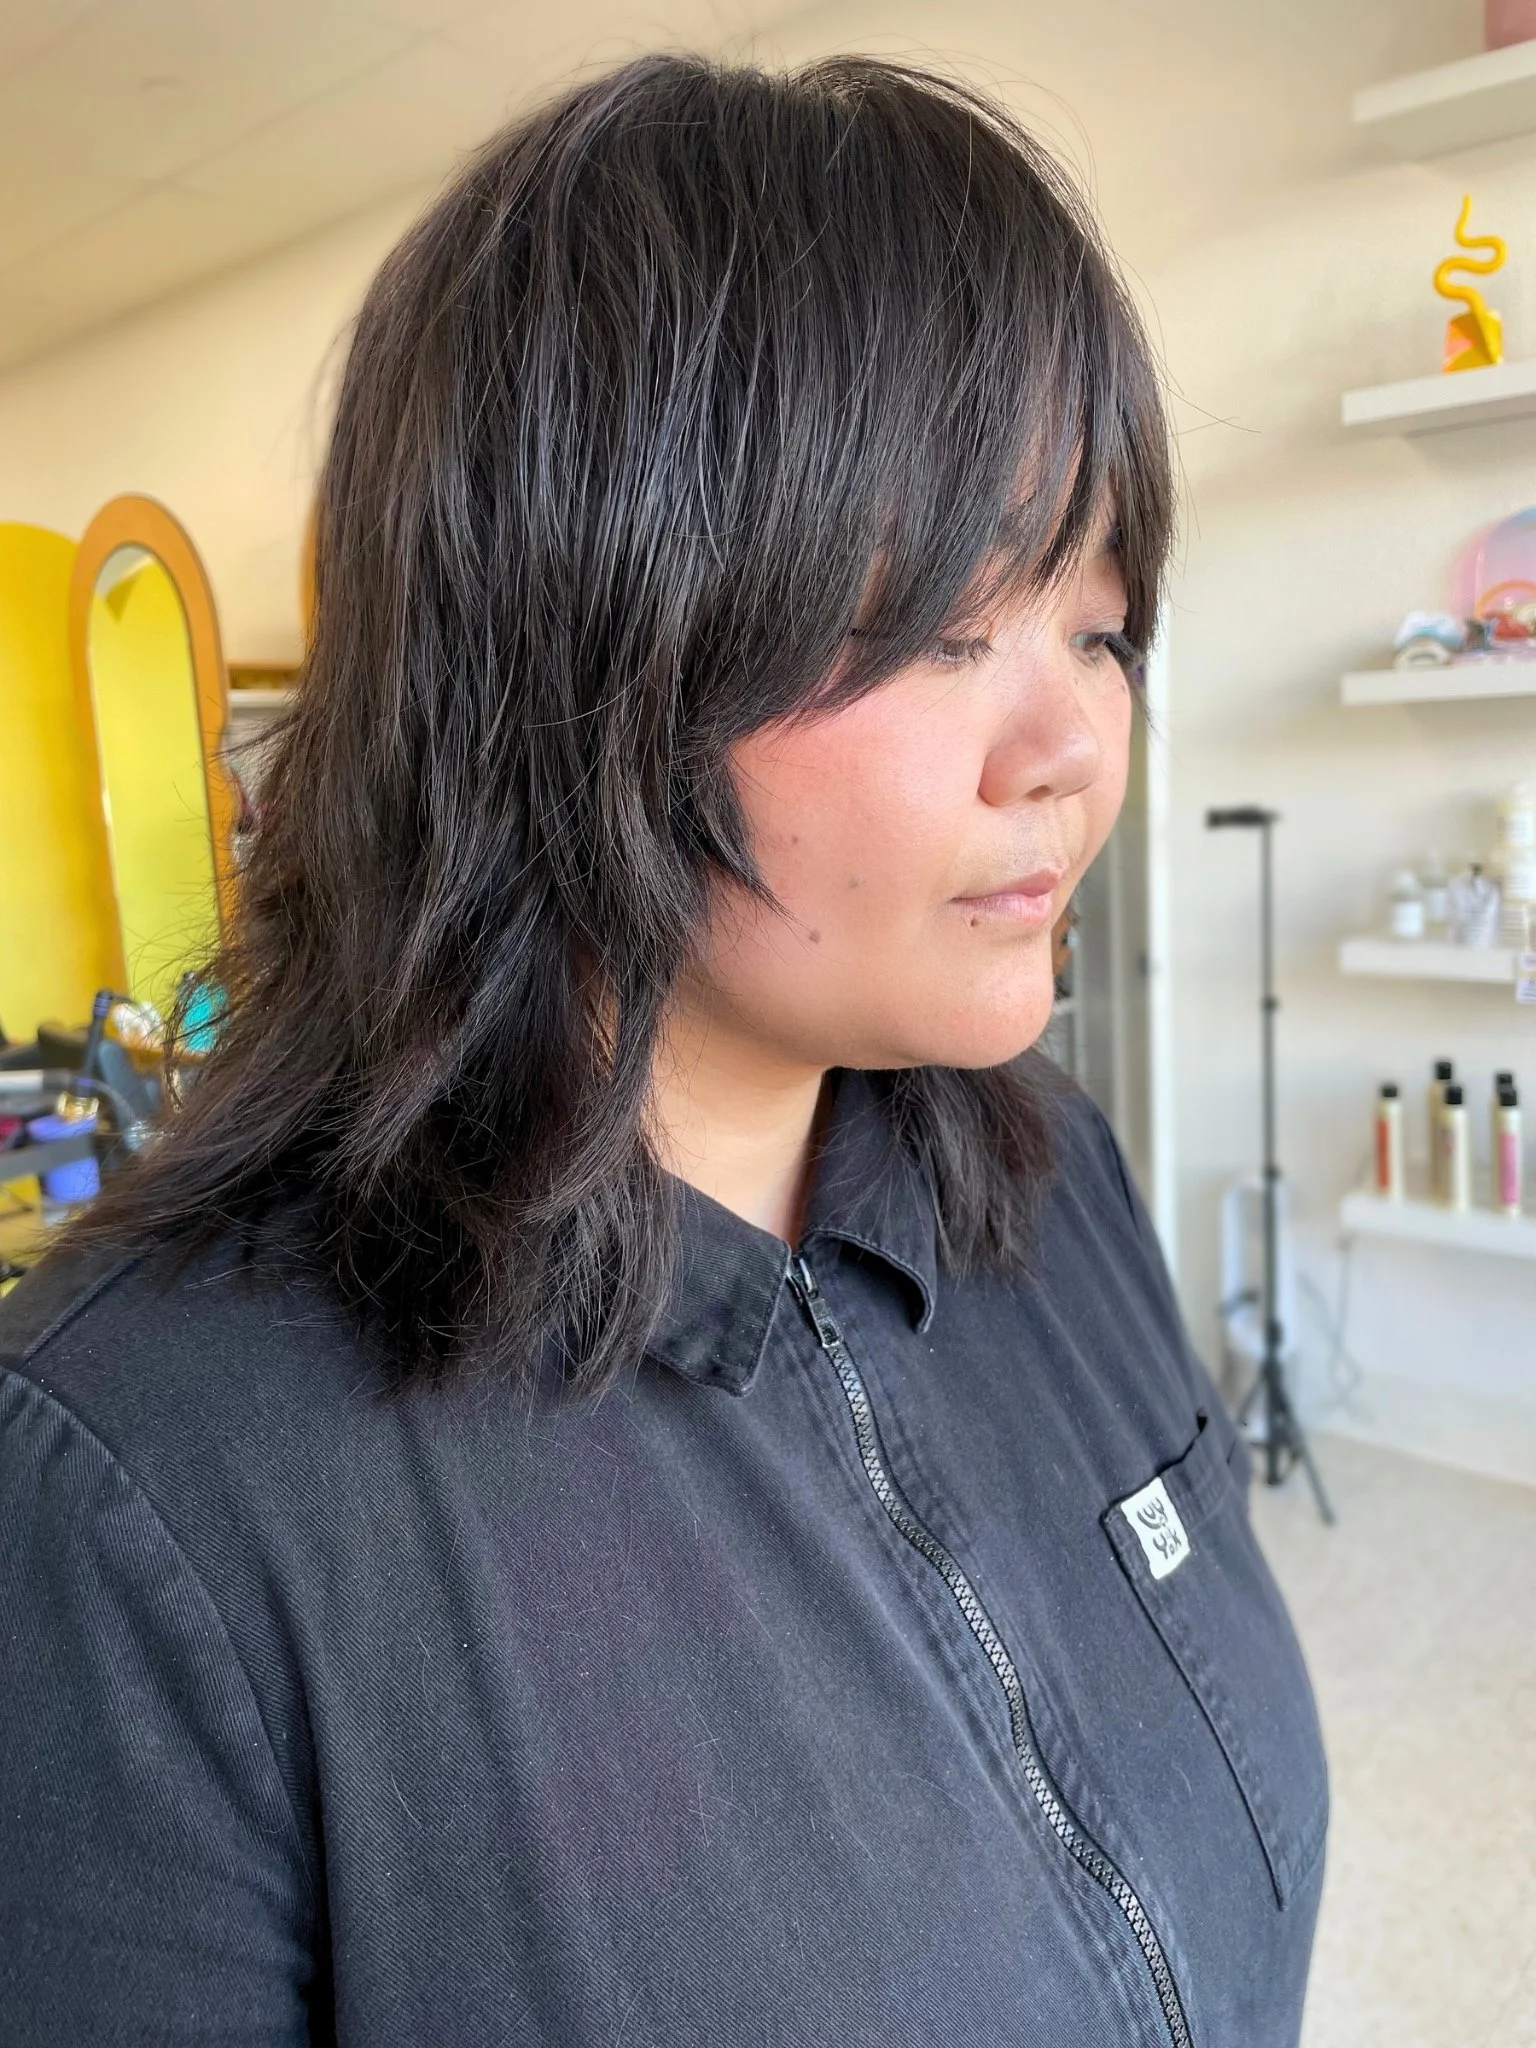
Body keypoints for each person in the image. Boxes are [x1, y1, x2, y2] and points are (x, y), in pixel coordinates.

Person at [0, 52, 1327, 2047]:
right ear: (576, 643)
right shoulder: (150, 1488)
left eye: (1106, 621)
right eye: (951, 624)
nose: (1073, 743)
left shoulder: (1053, 1179)